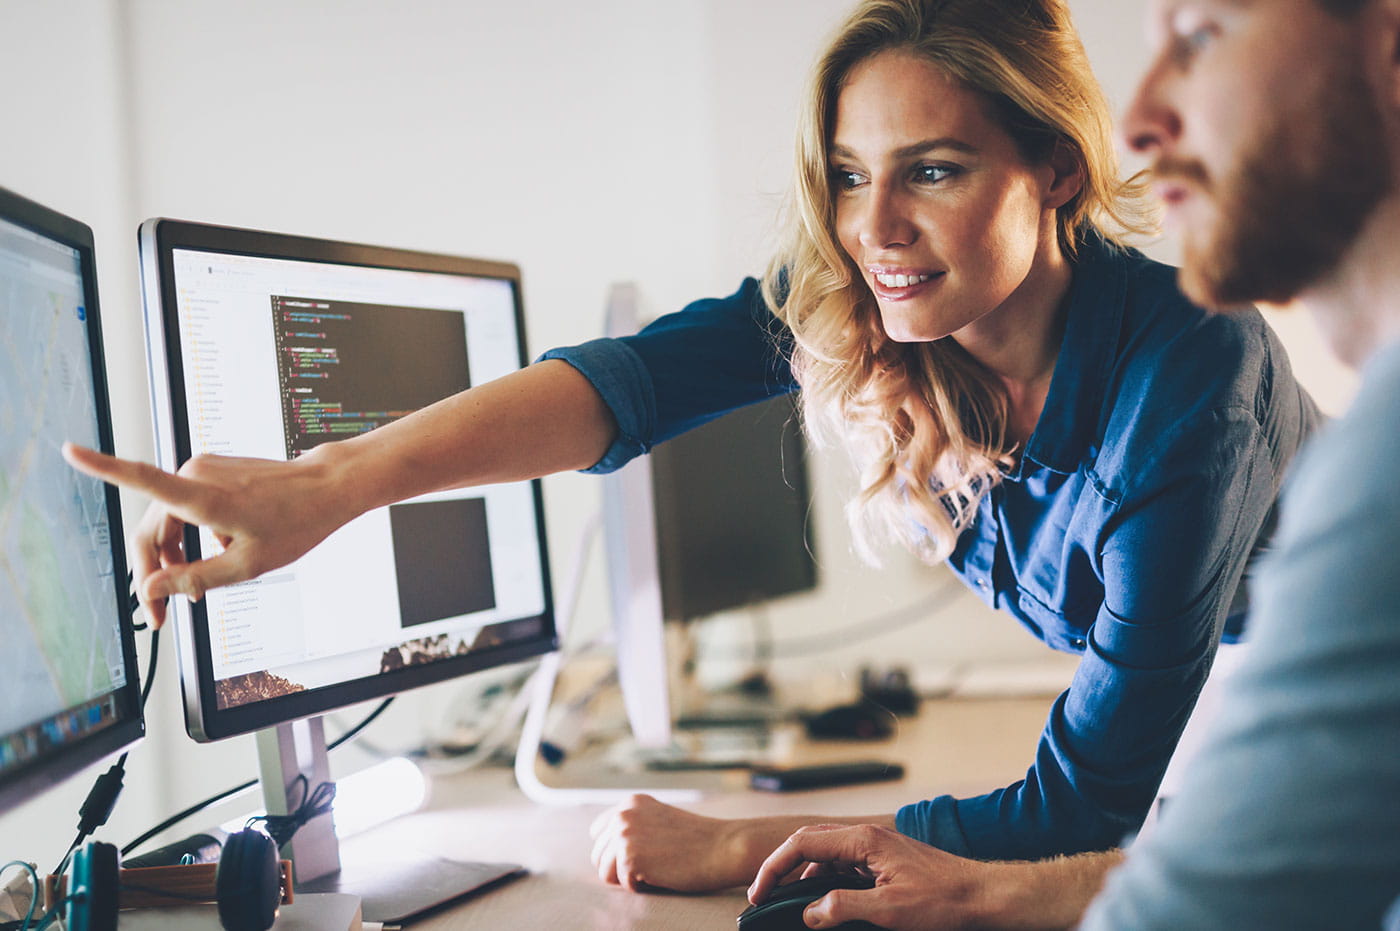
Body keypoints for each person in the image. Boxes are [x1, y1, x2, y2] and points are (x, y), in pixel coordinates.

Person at [65, 0, 1316, 891]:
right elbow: (631, 385)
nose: (873, 228)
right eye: (846, 174)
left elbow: (1079, 808)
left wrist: (733, 844)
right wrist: (332, 485)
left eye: (931, 172)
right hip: (1206, 732)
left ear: (1055, 171)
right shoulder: (875, 301)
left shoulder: (1188, 379)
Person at [745, 0, 1400, 927]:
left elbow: (1196, 879)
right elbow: (1245, 865)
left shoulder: (1299, 432)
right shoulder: (917, 351)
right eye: (850, 175)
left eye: (1202, 35)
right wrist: (989, 891)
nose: (1138, 121)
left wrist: (747, 845)